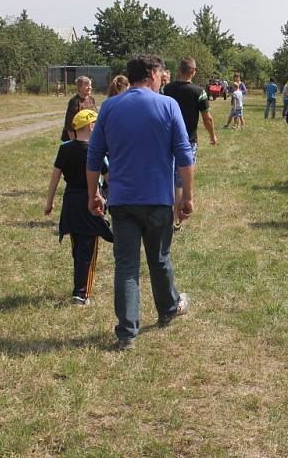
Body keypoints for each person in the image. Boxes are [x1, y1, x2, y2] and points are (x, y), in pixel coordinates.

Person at [86, 54, 194, 351]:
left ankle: (127, 333)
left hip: (121, 201)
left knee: (126, 265)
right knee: (159, 259)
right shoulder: (168, 105)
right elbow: (185, 155)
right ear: (152, 74)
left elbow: (94, 156)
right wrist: (187, 197)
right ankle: (168, 308)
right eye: (161, 75)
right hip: (158, 199)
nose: (163, 80)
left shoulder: (109, 107)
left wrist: (93, 193)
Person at [45, 109, 113, 306]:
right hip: (90, 201)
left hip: (70, 201)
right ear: (91, 126)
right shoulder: (96, 150)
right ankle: (82, 293)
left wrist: (49, 202)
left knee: (77, 246)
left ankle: (79, 287)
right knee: (88, 249)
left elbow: (55, 177)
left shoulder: (64, 149)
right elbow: (109, 179)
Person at [163, 57, 218, 227]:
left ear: (179, 70)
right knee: (180, 180)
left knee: (167, 177)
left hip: (167, 139)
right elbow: (207, 118)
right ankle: (175, 219)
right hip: (188, 141)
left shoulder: (166, 89)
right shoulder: (198, 91)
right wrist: (212, 135)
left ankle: (166, 216)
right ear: (193, 71)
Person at [61, 76, 97, 141]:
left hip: (88, 137)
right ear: (79, 87)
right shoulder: (75, 102)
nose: (90, 87)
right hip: (75, 138)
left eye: (90, 85)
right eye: (86, 85)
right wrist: (73, 142)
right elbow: (69, 124)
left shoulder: (91, 99)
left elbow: (94, 118)